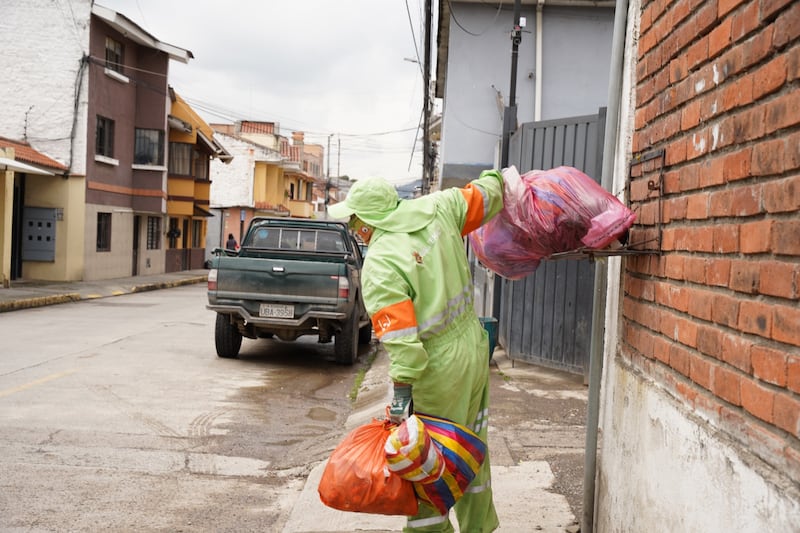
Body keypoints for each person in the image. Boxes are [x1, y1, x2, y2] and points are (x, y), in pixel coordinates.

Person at [328, 170, 504, 533]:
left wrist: (401, 398)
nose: (353, 227)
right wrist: (499, 179)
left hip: (437, 368)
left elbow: (406, 347)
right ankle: (480, 528)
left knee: (425, 460)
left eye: (354, 219)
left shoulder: (380, 264)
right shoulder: (440, 207)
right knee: (469, 447)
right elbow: (488, 194)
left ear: (368, 222)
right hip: (473, 344)